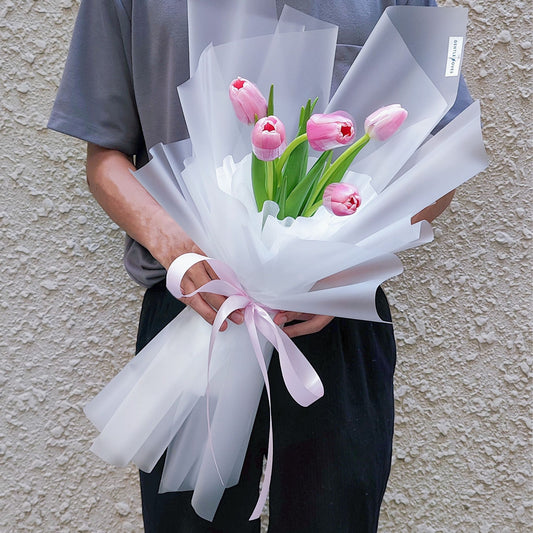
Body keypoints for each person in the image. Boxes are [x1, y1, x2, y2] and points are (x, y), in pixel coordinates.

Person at [49, 1, 472, 531]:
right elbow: (105, 154)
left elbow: (440, 158)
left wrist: (342, 269)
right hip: (196, 310)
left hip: (334, 314)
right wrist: (174, 247)